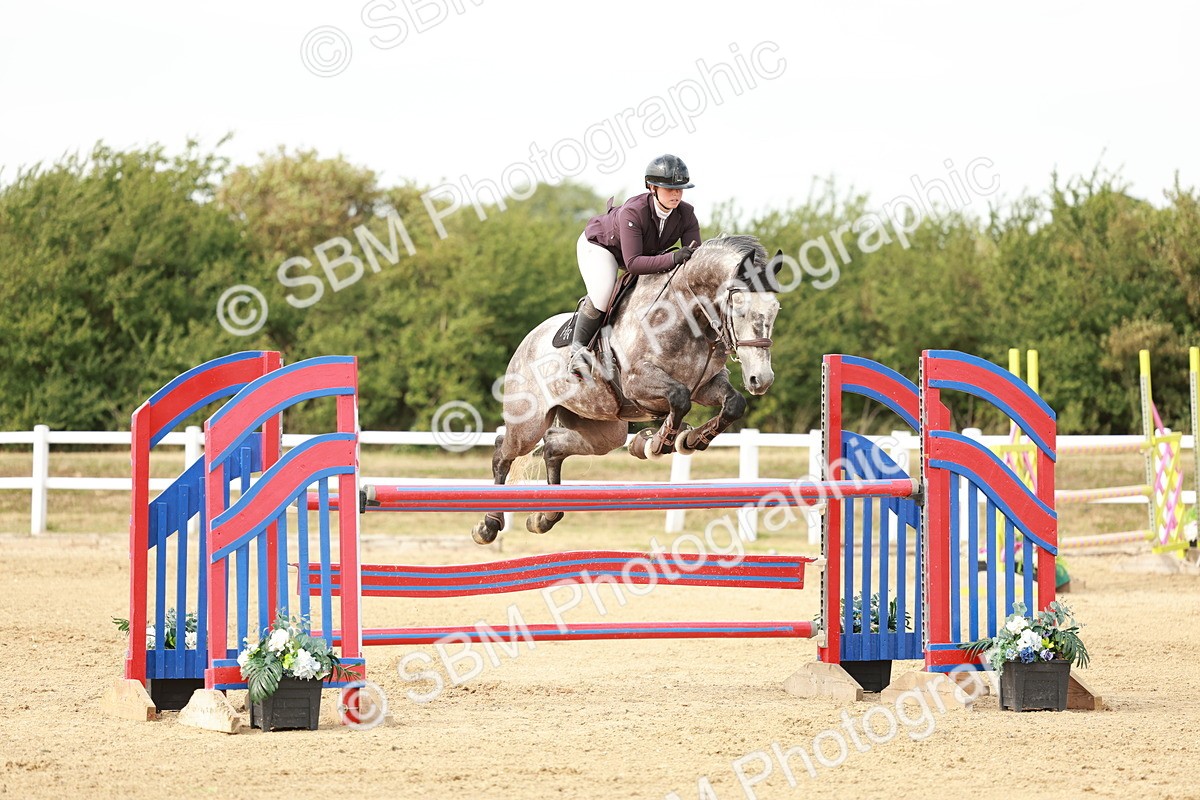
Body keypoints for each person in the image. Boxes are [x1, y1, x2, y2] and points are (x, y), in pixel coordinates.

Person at [569, 154, 703, 376]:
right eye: (669, 188)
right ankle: (577, 352)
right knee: (603, 292)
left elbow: (693, 258)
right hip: (602, 248)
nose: (676, 194)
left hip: (642, 254)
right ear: (652, 187)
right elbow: (633, 264)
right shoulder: (635, 211)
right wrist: (673, 258)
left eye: (679, 189)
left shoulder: (686, 214)